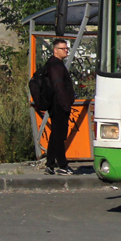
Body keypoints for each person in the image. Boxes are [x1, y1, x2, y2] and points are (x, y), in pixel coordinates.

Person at [42, 38, 76, 175]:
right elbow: (58, 86)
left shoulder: (56, 64)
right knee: (58, 134)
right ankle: (59, 165)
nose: (66, 50)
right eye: (63, 48)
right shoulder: (55, 66)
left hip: (57, 104)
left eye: (67, 48)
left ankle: (53, 165)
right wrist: (65, 105)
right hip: (58, 105)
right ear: (55, 50)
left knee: (57, 134)